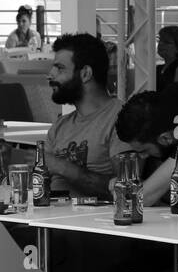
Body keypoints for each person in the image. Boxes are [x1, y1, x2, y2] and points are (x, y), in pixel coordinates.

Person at [40, 33, 123, 200]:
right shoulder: (61, 125)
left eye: (60, 68)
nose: (50, 75)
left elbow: (126, 187)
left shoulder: (120, 119)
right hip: (48, 220)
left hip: (93, 223)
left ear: (85, 73)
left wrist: (62, 167)